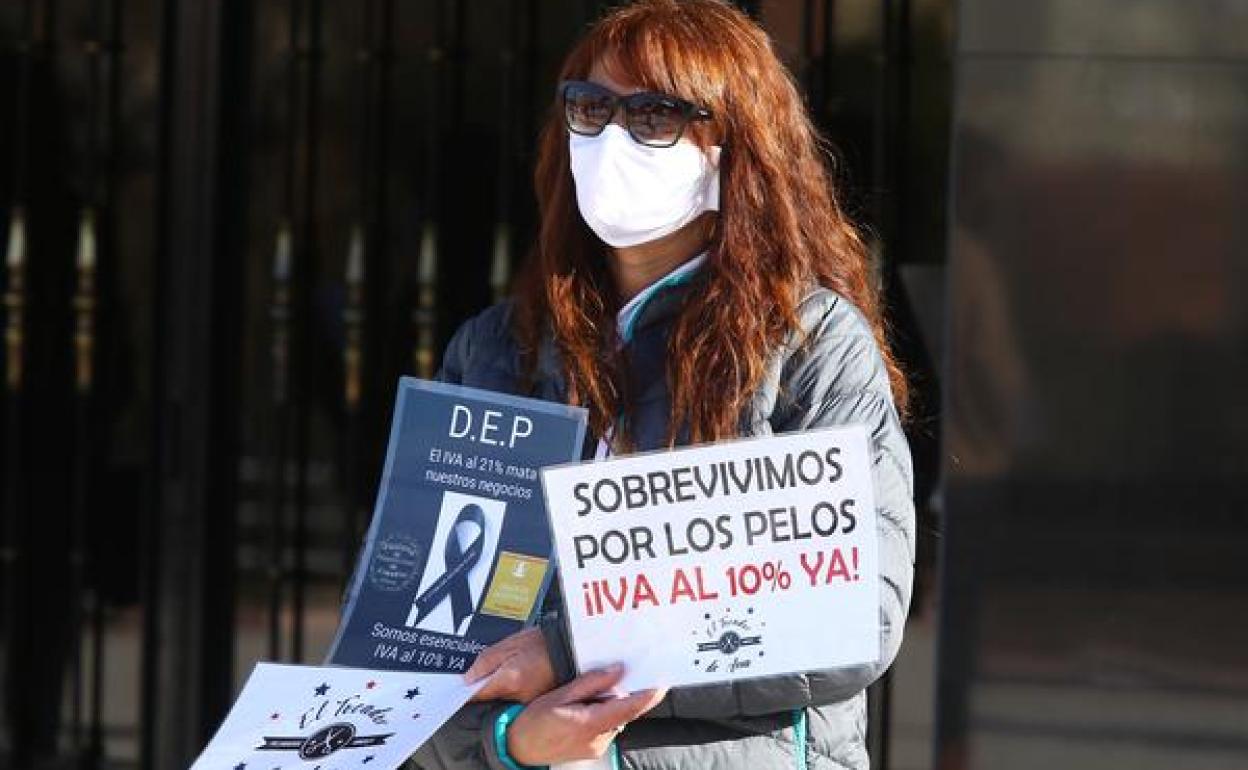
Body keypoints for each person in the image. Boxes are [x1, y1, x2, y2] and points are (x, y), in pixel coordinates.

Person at [405, 1, 915, 768]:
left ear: (734, 147)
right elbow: (410, 639)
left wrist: (568, 651)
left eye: (653, 116)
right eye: (591, 107)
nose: (613, 138)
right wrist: (510, 743)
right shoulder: (494, 350)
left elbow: (855, 617)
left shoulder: (811, 344)